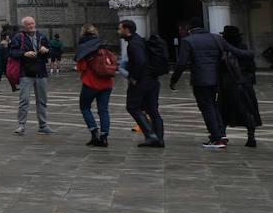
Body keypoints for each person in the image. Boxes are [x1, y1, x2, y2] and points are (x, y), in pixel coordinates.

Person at [172, 17, 252, 148]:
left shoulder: (187, 41)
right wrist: (249, 53)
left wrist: (173, 81)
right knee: (213, 106)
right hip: (216, 79)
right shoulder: (216, 38)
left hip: (200, 80)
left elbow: (181, 63)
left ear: (189, 28)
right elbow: (235, 51)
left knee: (206, 107)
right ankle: (221, 134)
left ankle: (217, 138)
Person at [117, 20, 163, 148]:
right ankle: (159, 139)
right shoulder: (141, 41)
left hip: (142, 80)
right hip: (152, 79)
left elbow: (141, 61)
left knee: (132, 106)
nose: (118, 31)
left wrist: (134, 77)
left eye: (120, 29)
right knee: (152, 109)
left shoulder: (133, 44)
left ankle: (151, 136)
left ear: (127, 30)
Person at [8, 16, 56, 136]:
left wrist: (46, 50)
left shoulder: (41, 36)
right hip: (26, 72)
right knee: (24, 100)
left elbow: (51, 51)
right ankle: (21, 125)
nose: (31, 26)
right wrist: (24, 53)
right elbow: (12, 52)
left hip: (41, 72)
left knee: (42, 100)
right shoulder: (19, 37)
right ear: (24, 26)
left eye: (33, 23)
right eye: (28, 24)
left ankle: (43, 125)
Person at [219, 25, 262, 148]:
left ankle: (221, 136)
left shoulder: (225, 51)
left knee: (224, 111)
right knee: (248, 111)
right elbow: (252, 68)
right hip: (245, 84)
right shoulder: (245, 50)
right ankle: (251, 136)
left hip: (229, 85)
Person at [75, 25, 115, 148]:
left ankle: (94, 133)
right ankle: (104, 137)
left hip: (91, 83)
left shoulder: (84, 48)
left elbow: (81, 67)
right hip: (107, 83)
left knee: (85, 107)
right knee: (103, 110)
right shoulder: (103, 45)